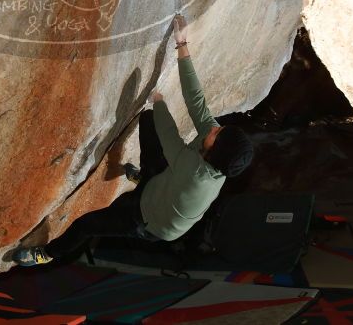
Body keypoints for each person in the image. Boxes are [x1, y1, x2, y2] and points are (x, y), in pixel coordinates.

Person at [13, 15, 254, 266]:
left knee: (86, 226)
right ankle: (145, 178)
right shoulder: (216, 153)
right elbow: (196, 101)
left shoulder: (195, 175)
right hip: (166, 182)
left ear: (214, 152)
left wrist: (159, 101)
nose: (214, 129)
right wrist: (182, 44)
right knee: (148, 121)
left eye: (217, 134)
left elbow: (169, 136)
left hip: (150, 221)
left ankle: (47, 254)